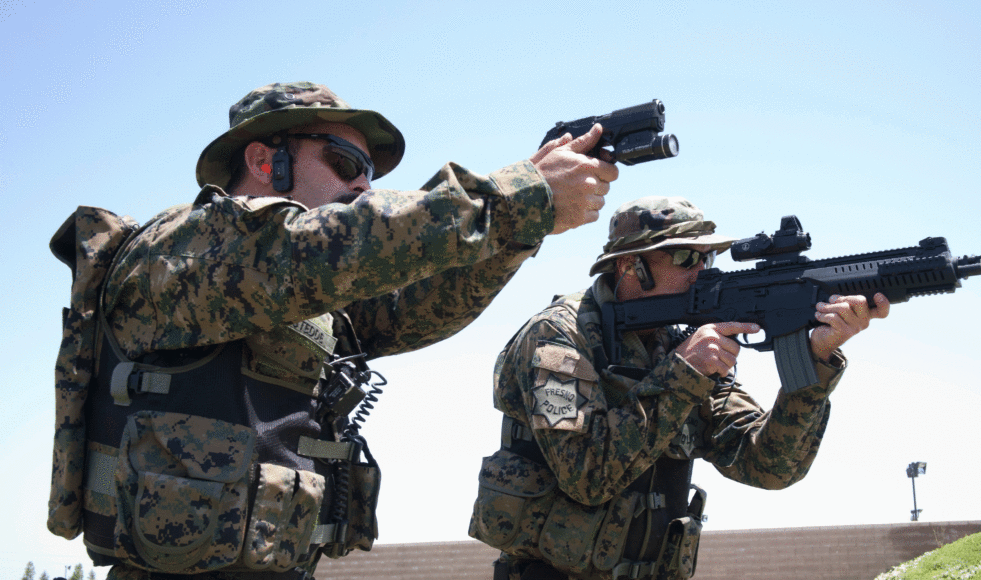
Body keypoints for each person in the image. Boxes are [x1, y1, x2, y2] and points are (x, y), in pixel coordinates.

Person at [48, 81, 619, 580]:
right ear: (265, 160)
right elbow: (326, 248)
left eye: (369, 173)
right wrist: (518, 196)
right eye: (346, 163)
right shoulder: (184, 251)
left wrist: (519, 228)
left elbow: (417, 303)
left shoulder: (306, 292)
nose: (364, 186)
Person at [468, 196, 890, 580]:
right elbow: (587, 476)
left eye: (707, 259)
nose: (701, 272)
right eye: (687, 257)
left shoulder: (677, 345)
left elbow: (770, 465)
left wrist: (812, 366)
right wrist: (684, 372)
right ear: (630, 265)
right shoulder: (558, 337)